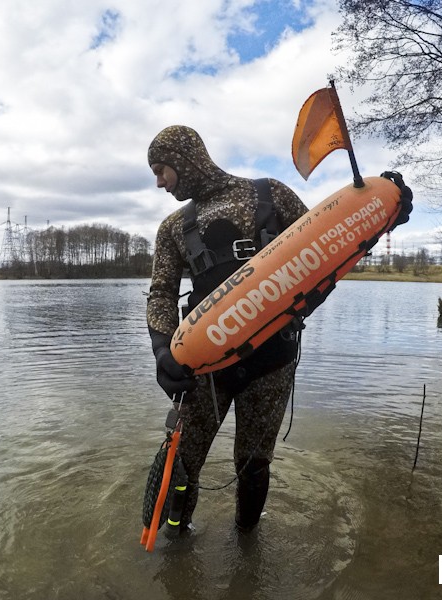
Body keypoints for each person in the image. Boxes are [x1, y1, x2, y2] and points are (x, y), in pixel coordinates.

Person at [145, 124, 411, 534]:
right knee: (185, 459)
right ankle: (178, 540)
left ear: (185, 159)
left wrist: (380, 218)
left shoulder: (270, 194)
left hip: (272, 360)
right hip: (202, 364)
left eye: (162, 169)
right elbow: (161, 292)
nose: (159, 182)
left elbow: (329, 244)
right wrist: (163, 351)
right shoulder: (172, 228)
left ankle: (246, 540)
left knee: (253, 462)